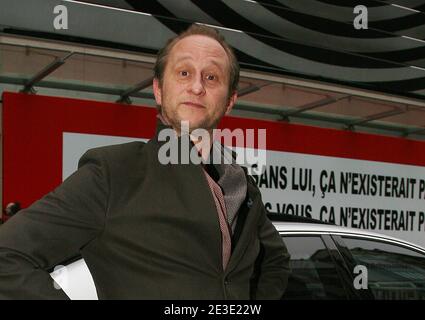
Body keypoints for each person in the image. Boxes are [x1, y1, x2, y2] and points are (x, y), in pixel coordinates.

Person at [0, 24, 290, 299]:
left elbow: (275, 261)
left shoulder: (240, 184)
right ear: (158, 90)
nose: (197, 87)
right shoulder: (114, 173)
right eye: (184, 73)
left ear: (230, 100)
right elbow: (7, 256)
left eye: (212, 77)